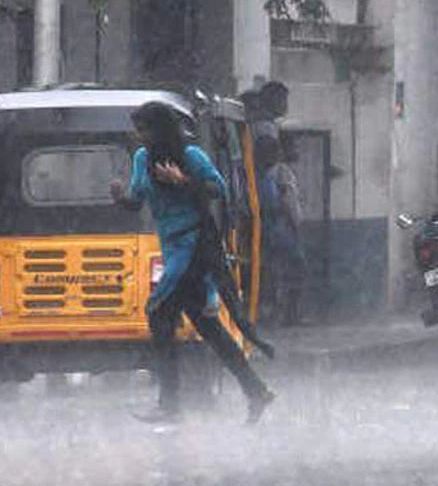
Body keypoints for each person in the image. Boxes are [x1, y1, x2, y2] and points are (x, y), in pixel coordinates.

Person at [110, 102, 275, 424]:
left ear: (160, 130)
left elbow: (218, 190)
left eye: (144, 129)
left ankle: (170, 404)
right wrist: (120, 197)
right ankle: (256, 390)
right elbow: (136, 200)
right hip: (172, 247)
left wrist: (182, 180)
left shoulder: (191, 156)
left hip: (193, 246)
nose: (139, 136)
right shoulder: (143, 159)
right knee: (207, 327)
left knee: (159, 315)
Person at [255, 135, 307, 325]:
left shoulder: (257, 174)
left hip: (266, 229)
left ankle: (273, 315)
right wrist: (296, 224)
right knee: (295, 270)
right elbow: (289, 202)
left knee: (272, 272)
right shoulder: (283, 172)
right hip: (283, 228)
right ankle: (290, 316)